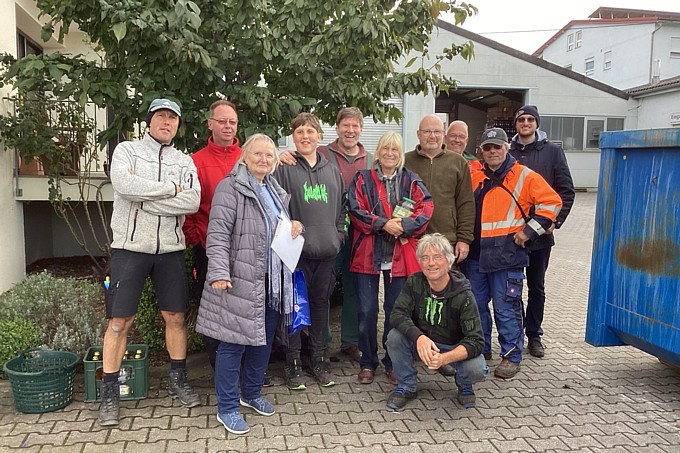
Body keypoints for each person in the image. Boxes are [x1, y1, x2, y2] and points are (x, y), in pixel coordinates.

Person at [100, 98, 201, 427]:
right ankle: (110, 392)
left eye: (173, 118)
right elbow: (124, 185)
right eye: (161, 116)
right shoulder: (127, 151)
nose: (167, 122)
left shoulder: (184, 161)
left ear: (177, 125)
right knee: (119, 322)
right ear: (149, 121)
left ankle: (178, 379)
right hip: (130, 249)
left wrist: (148, 201)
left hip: (170, 250)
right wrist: (169, 190)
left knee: (175, 318)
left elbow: (192, 200)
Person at [195, 134, 303, 435]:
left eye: (270, 155)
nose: (264, 160)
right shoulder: (230, 187)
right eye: (258, 154)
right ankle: (227, 408)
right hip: (238, 279)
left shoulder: (273, 188)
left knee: (263, 340)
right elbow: (216, 235)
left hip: (270, 281)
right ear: (245, 155)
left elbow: (277, 227)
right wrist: (218, 272)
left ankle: (251, 393)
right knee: (233, 344)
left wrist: (294, 226)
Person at [464, 127, 562, 379]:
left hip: (507, 255)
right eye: (488, 147)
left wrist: (530, 232)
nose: (493, 151)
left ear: (507, 148)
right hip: (476, 255)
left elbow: (552, 203)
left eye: (497, 146)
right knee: (475, 306)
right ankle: (481, 348)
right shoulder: (473, 172)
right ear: (481, 151)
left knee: (506, 307)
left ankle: (511, 356)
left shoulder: (524, 176)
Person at [279, 107, 371, 362]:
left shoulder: (367, 159)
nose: (350, 131)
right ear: (336, 129)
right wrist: (280, 156)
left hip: (351, 236)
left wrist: (340, 234)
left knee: (346, 291)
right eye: (345, 126)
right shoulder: (314, 156)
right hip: (306, 244)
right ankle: (309, 350)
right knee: (308, 298)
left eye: (355, 126)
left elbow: (344, 204)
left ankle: (343, 344)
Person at [347, 132, 433, 386]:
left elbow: (425, 209)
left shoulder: (412, 180)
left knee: (396, 312)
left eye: (395, 150)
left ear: (400, 154)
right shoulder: (362, 178)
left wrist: (403, 226)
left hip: (400, 256)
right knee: (366, 311)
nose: (390, 154)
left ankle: (392, 362)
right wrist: (384, 224)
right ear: (378, 151)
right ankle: (367, 362)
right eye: (385, 149)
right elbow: (355, 209)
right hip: (368, 254)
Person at [274, 113, 347, 389]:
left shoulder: (332, 169)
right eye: (300, 132)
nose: (305, 136)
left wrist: (338, 236)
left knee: (320, 307)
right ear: (293, 137)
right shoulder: (284, 167)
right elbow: (275, 207)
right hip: (296, 254)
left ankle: (318, 359)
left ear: (320, 136)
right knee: (294, 309)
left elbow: (341, 208)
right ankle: (292, 362)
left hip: (327, 252)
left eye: (310, 131)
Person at [403, 114, 475, 376]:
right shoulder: (406, 161)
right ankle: (414, 349)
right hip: (413, 241)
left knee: (447, 301)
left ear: (443, 134)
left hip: (447, 241)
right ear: (418, 134)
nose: (431, 136)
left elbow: (466, 203)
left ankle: (444, 354)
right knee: (414, 297)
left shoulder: (458, 163)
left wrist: (464, 238)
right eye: (427, 132)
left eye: (436, 132)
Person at [386, 233, 488, 412]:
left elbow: (477, 340)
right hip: (424, 342)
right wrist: (419, 338)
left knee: (477, 367)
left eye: (437, 257)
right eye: (425, 258)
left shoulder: (463, 294)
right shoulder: (415, 282)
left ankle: (464, 384)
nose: (430, 263)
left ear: (449, 261)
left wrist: (444, 359)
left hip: (453, 345)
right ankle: (407, 386)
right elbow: (397, 314)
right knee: (394, 337)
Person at [509, 105, 575, 358]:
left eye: (529, 119)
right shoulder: (507, 152)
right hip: (512, 236)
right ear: (516, 124)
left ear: (536, 123)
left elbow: (566, 192)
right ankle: (512, 334)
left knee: (536, 286)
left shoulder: (553, 152)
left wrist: (555, 222)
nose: (525, 123)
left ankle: (534, 335)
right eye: (521, 119)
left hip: (540, 237)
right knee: (512, 287)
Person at [183, 99, 241, 369]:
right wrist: (198, 240)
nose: (227, 126)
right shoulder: (196, 161)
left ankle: (242, 368)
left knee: (242, 310)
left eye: (232, 121)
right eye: (222, 121)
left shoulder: (248, 158)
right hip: (210, 251)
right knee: (214, 311)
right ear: (210, 123)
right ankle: (218, 368)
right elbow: (188, 209)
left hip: (245, 252)